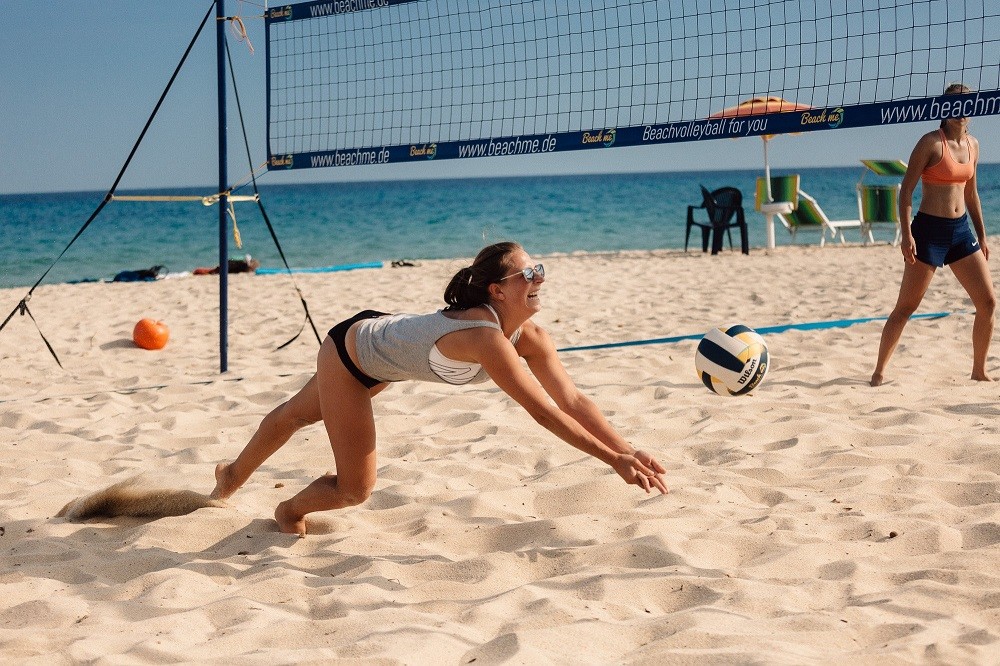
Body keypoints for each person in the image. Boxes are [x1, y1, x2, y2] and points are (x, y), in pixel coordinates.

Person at [212, 241, 668, 535]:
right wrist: (614, 462)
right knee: (352, 488)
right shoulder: (486, 340)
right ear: (498, 291)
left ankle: (232, 475)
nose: (539, 278)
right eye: (528, 274)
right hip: (350, 356)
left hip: (384, 355)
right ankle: (285, 509)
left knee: (299, 414)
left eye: (540, 268)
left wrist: (627, 449)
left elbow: (572, 401)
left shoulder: (530, 337)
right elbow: (544, 414)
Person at [871, 83, 996, 387]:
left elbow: (972, 193)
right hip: (928, 231)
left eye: (967, 105)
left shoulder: (973, 145)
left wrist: (983, 235)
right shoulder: (930, 143)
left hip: (960, 231)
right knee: (906, 308)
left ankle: (979, 370)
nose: (962, 111)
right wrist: (906, 234)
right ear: (944, 107)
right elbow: (906, 191)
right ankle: (879, 373)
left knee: (988, 303)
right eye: (955, 104)